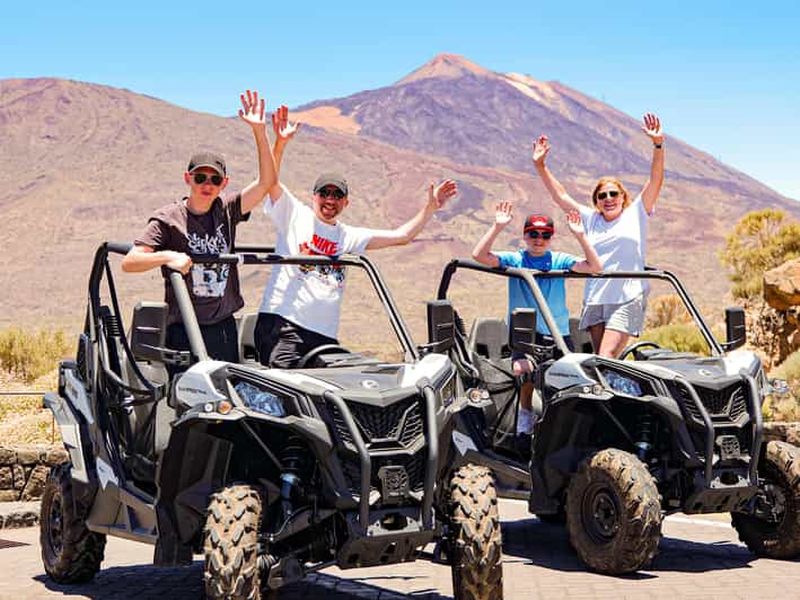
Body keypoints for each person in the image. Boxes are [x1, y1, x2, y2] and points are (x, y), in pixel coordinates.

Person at [255, 105, 458, 368]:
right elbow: (269, 182)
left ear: (346, 203)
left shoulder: (347, 236)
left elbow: (402, 236)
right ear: (313, 196)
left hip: (323, 336)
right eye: (324, 194)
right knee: (285, 393)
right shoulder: (295, 215)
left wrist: (430, 208)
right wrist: (280, 144)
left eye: (337, 195)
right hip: (284, 327)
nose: (330, 200)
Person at [121, 90, 277, 368]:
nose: (207, 184)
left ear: (224, 183)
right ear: (188, 179)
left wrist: (259, 132)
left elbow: (266, 183)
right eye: (200, 177)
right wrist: (168, 257)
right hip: (183, 329)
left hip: (223, 328)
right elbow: (131, 261)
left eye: (215, 179)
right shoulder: (169, 218)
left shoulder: (227, 210)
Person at [532, 113, 665, 358]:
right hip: (596, 297)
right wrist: (541, 166)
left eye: (613, 194)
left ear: (623, 197)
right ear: (596, 201)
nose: (608, 199)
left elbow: (655, 180)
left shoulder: (636, 213)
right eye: (602, 196)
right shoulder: (591, 219)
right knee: (601, 364)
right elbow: (560, 196)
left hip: (627, 295)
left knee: (606, 357)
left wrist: (658, 145)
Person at [471, 202, 602, 435]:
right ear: (524, 235)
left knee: (568, 376)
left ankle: (559, 425)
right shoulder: (516, 259)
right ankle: (524, 416)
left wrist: (580, 236)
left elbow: (595, 266)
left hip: (557, 332)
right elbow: (479, 255)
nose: (538, 239)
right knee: (524, 371)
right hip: (525, 332)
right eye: (533, 234)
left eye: (545, 235)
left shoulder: (560, 260)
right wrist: (497, 227)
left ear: (551, 237)